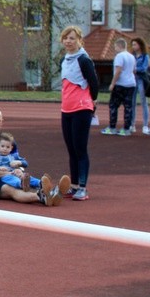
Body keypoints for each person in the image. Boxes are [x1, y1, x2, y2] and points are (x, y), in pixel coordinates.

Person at [0, 107, 69, 206]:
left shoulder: (7, 141)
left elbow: (17, 161)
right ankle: (41, 196)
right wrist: (10, 173)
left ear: (2, 122)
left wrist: (19, 170)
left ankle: (52, 193)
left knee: (23, 179)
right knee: (11, 189)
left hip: (9, 174)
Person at [59, 25, 99, 201]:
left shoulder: (84, 60)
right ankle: (74, 185)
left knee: (80, 148)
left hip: (82, 109)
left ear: (79, 40)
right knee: (71, 149)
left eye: (72, 38)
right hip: (66, 109)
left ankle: (83, 187)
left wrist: (92, 102)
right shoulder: (65, 59)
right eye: (66, 38)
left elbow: (94, 83)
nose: (68, 41)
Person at [101, 38, 136, 136]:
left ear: (119, 46)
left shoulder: (119, 56)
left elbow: (118, 70)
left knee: (113, 105)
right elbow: (134, 70)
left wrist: (112, 83)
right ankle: (126, 128)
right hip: (131, 83)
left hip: (120, 84)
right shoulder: (132, 56)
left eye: (115, 47)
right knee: (128, 106)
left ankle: (112, 127)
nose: (115, 49)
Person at [130, 37, 150, 134]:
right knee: (132, 102)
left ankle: (145, 125)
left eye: (135, 44)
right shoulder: (132, 55)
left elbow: (144, 68)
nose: (133, 46)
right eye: (132, 44)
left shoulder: (145, 56)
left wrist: (135, 69)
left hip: (141, 80)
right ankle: (132, 124)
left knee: (144, 102)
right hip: (133, 80)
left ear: (140, 45)